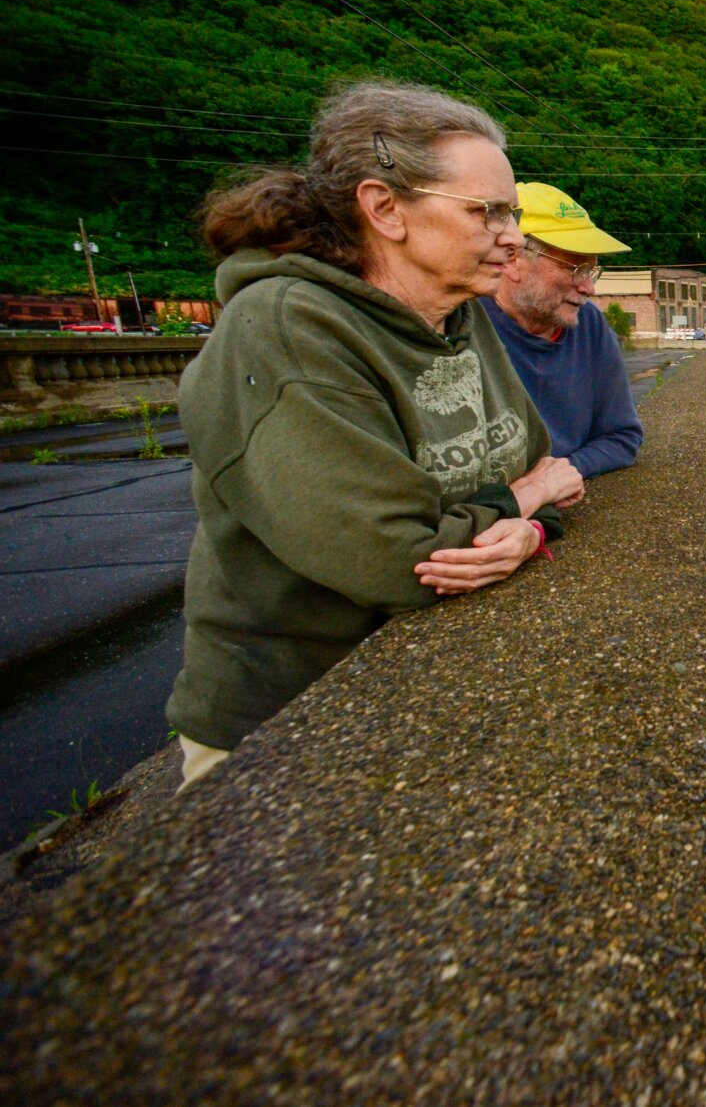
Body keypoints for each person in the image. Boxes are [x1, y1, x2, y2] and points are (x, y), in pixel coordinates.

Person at [165, 81, 583, 788]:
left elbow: (542, 468)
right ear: (385, 208)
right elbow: (399, 559)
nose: (513, 236)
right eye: (489, 212)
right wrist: (518, 505)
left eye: (509, 213)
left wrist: (533, 524)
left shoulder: (458, 314)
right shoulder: (285, 329)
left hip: (426, 687)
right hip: (287, 729)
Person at [479, 182, 643, 478]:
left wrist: (556, 476)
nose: (589, 287)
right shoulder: (465, 326)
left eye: (592, 270)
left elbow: (622, 437)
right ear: (513, 259)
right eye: (575, 268)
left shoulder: (590, 325)